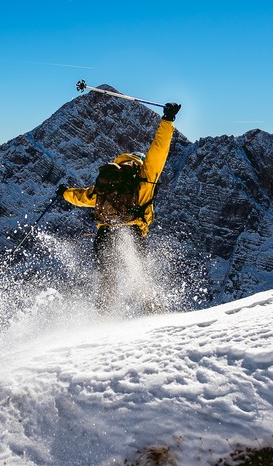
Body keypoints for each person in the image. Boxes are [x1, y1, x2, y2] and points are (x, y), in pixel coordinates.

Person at [56, 102, 180, 313]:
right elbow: (158, 151)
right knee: (142, 277)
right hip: (131, 232)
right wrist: (167, 121)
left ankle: (103, 322)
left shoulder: (107, 184)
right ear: (140, 163)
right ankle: (155, 316)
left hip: (104, 234)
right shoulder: (144, 178)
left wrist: (65, 193)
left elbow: (83, 197)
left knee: (107, 282)